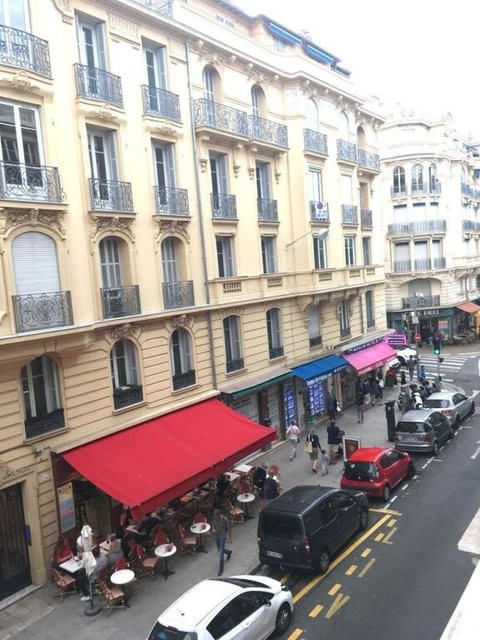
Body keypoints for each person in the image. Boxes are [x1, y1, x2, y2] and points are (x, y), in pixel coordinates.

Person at [51, 536, 90, 601]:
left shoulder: (66, 545)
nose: (67, 542)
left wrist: (73, 557)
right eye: (65, 541)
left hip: (69, 562)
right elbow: (59, 560)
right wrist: (68, 557)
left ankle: (80, 586)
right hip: (61, 566)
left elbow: (70, 551)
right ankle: (81, 588)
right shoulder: (58, 549)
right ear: (62, 543)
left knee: (79, 572)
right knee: (78, 574)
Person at [211, 508, 232, 576]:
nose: (215, 517)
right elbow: (213, 525)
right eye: (214, 516)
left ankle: (221, 569)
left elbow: (229, 528)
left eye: (215, 516)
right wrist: (213, 528)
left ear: (219, 515)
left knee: (221, 553)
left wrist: (230, 538)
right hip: (217, 536)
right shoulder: (214, 518)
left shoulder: (224, 519)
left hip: (222, 537)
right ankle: (228, 552)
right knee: (219, 549)